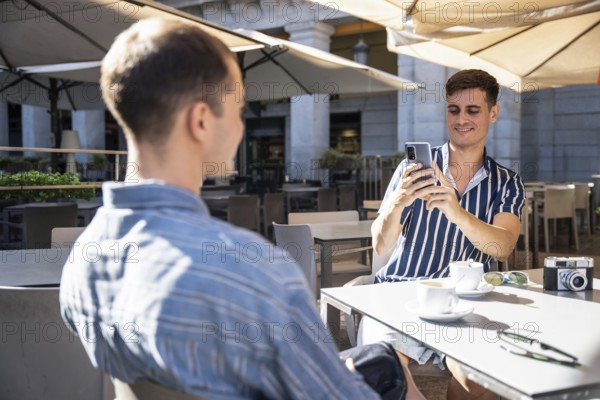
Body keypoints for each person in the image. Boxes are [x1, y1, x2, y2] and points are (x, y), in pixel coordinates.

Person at [59, 18, 422, 400]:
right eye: (238, 110)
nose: (241, 127)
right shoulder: (252, 270)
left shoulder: (83, 260)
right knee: (387, 365)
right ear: (200, 121)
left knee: (377, 358)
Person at [363, 69, 525, 400]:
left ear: (493, 113)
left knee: (482, 381)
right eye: (454, 110)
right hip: (399, 296)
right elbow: (379, 243)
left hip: (464, 306)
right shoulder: (413, 170)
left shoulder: (507, 182)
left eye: (472, 110)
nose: (461, 119)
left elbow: (503, 247)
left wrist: (457, 212)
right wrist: (397, 203)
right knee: (384, 370)